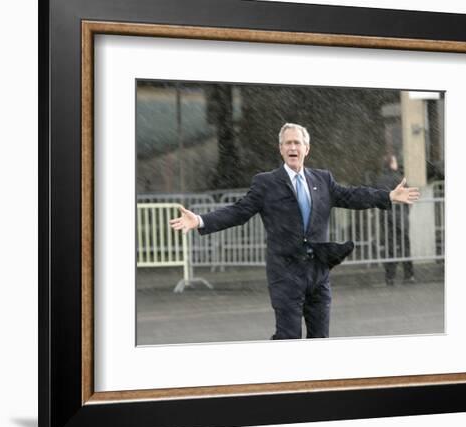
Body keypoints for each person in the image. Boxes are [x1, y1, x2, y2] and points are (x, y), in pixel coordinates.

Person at [169, 123, 420, 340]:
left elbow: (352, 195)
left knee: (320, 339)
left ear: (306, 149)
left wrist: (387, 196)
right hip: (285, 273)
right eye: (287, 143)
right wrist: (200, 220)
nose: (292, 148)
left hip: (318, 274)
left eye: (297, 143)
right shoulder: (266, 183)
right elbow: (239, 211)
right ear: (281, 149)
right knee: (288, 338)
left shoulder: (322, 180)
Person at [375, 154, 415, 286]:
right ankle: (408, 275)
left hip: (386, 216)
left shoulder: (380, 179)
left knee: (389, 246)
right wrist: (406, 211)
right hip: (400, 216)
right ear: (391, 164)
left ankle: (389, 277)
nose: (397, 163)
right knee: (404, 245)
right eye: (395, 161)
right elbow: (409, 196)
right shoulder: (398, 178)